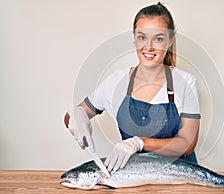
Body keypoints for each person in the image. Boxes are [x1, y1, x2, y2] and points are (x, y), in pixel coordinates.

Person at [64, 2, 201, 172]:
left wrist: (139, 142)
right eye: (142, 37)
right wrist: (77, 116)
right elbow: (73, 115)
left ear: (170, 40)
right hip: (135, 180)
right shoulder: (115, 82)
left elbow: (187, 143)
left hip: (183, 181)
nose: (149, 47)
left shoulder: (186, 83)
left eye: (158, 38)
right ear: (134, 37)